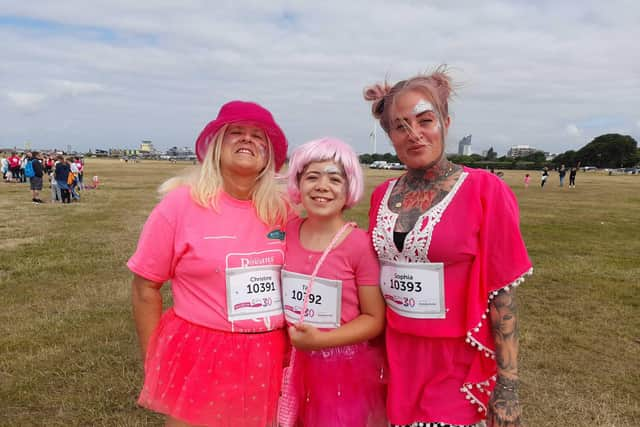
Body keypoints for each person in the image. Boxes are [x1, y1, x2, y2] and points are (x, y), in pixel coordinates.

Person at [363, 67, 532, 427]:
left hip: (457, 361)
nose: (414, 135)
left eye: (425, 121)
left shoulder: (484, 190)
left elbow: (502, 296)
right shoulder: (381, 196)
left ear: (446, 122)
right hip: (396, 359)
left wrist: (508, 388)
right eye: (400, 126)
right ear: (390, 136)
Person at [128, 100, 289, 427]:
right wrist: (154, 358)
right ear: (217, 144)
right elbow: (146, 288)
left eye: (259, 136)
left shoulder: (285, 209)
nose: (248, 140)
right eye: (236, 132)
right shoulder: (180, 204)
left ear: (270, 154)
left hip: (273, 352)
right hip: (201, 351)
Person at [282, 137, 387, 427]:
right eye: (312, 177)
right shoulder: (286, 231)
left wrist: (322, 341)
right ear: (298, 183)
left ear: (349, 187)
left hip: (340, 368)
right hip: (288, 361)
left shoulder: (359, 245)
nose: (322, 186)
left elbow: (374, 318)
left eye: (334, 179)